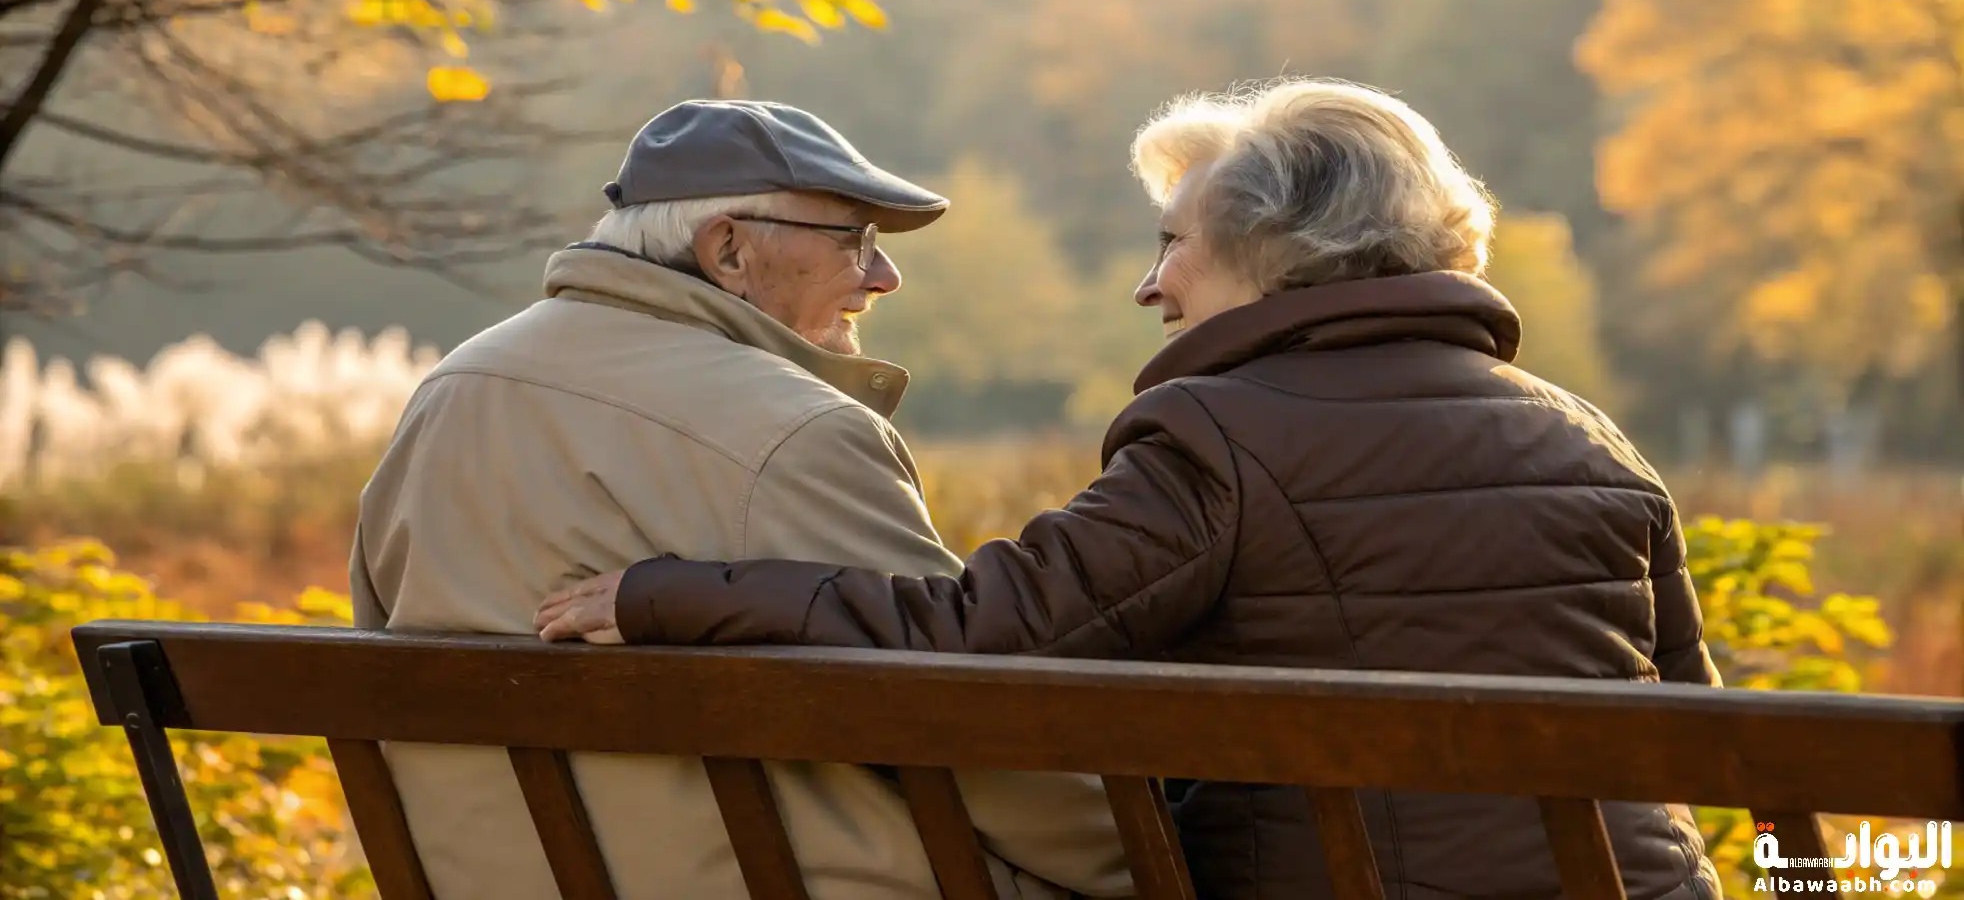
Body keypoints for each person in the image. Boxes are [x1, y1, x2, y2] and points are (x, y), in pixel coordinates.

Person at [535, 79, 1726, 900]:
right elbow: (1698, 728)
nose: (1147, 287)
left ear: (1274, 255)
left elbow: (975, 637)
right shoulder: (1589, 438)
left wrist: (668, 595)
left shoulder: (1220, 434)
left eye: (1170, 243)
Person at [350, 99, 1131, 900]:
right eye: (855, 239)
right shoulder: (799, 434)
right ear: (727, 249)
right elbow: (972, 727)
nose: (884, 275)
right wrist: (1152, 858)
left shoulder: (449, 392)